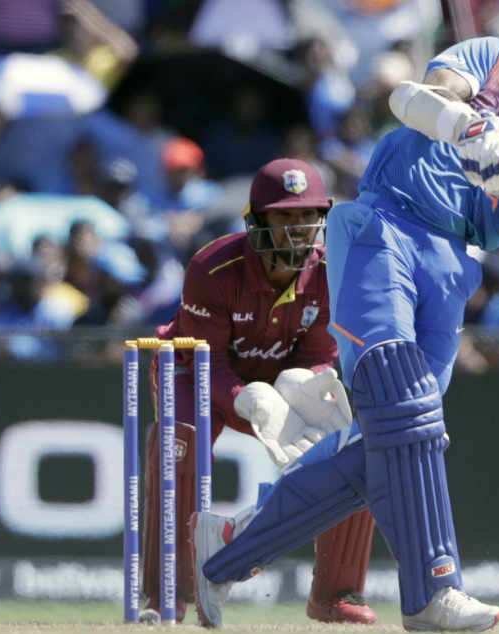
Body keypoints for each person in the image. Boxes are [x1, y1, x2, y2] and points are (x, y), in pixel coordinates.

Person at [189, 11, 499, 631]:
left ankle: (228, 546)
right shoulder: (495, 60)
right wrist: (472, 126)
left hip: (453, 265)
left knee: (394, 439)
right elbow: (415, 98)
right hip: (387, 226)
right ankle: (435, 588)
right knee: (403, 405)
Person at [140, 158, 376, 625]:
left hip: (275, 382)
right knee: (178, 446)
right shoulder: (213, 267)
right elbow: (208, 362)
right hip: (190, 371)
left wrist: (305, 383)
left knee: (354, 453)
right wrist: (245, 398)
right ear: (257, 220)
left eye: (307, 215)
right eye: (284, 216)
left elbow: (317, 353)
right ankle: (167, 594)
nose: (298, 227)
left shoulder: (332, 269)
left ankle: (335, 593)